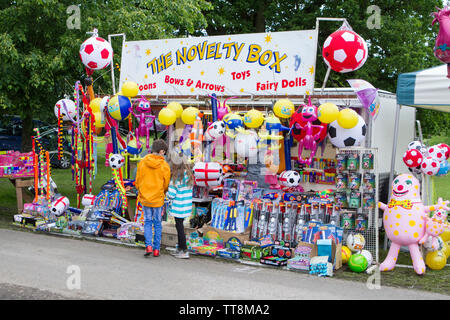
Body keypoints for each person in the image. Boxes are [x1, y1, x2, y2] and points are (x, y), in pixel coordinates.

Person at [135, 139, 170, 257]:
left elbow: (138, 180)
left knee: (147, 222)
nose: (164, 155)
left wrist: (140, 190)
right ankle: (156, 249)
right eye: (164, 152)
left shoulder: (143, 162)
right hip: (158, 198)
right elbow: (166, 183)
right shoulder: (164, 165)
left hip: (145, 197)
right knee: (157, 223)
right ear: (161, 151)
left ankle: (148, 246)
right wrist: (163, 192)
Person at [166, 159, 194, 259]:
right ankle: (180, 248)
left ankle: (183, 250)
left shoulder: (176, 177)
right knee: (180, 226)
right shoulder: (189, 175)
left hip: (178, 206)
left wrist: (166, 193)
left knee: (179, 228)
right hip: (186, 206)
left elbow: (172, 194)